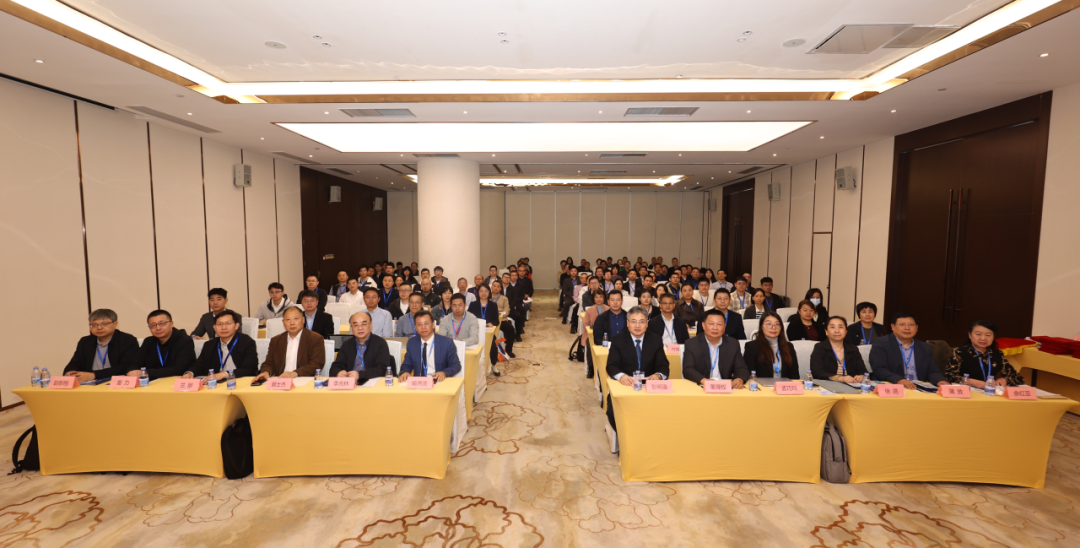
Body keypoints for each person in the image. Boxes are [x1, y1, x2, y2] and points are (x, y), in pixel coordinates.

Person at [606, 306, 669, 432]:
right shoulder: (617, 340)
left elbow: (663, 365)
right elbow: (611, 365)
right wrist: (621, 376)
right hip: (626, 386)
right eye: (633, 321)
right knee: (613, 412)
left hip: (649, 388)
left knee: (666, 411)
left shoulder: (656, 340)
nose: (637, 325)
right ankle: (625, 437)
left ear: (647, 324)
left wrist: (658, 375)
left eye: (641, 321)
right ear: (627, 323)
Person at [869, 312, 949, 390]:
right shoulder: (881, 343)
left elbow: (932, 370)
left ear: (916, 328)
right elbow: (879, 368)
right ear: (892, 327)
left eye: (911, 324)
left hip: (918, 389)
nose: (907, 328)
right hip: (894, 387)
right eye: (902, 324)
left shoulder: (924, 347)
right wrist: (898, 379)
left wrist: (940, 380)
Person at [63, 309, 139, 382]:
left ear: (115, 324)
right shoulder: (85, 341)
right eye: (94, 325)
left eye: (104, 324)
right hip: (89, 383)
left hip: (115, 382)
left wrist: (94, 375)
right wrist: (70, 372)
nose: (99, 328)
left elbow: (125, 367)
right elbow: (75, 363)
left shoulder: (127, 340)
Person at [253, 307, 326, 382]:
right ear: (283, 322)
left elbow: (316, 364)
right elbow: (269, 363)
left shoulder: (315, 339)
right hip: (281, 381)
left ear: (303, 320)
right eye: (288, 320)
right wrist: (266, 372)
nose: (292, 323)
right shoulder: (276, 340)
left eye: (296, 319)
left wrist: (295, 373)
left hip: (304, 380)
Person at [944, 320, 1024, 388]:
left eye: (988, 335)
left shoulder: (997, 354)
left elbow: (1018, 378)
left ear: (993, 337)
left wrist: (1005, 380)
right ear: (970, 335)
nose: (983, 338)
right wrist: (971, 381)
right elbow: (949, 376)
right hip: (967, 391)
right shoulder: (960, 352)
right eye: (978, 334)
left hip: (990, 392)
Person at [185, 309, 259, 381]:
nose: (223, 327)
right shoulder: (209, 345)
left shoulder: (246, 342)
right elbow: (199, 365)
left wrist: (225, 374)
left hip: (240, 381)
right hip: (216, 383)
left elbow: (249, 368)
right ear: (214, 327)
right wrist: (190, 373)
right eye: (220, 324)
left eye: (228, 323)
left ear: (236, 326)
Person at [682, 309, 749, 386]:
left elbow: (741, 368)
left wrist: (739, 378)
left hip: (725, 386)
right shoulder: (692, 343)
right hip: (701, 385)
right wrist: (703, 380)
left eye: (719, 324)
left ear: (724, 326)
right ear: (703, 325)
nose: (715, 328)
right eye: (711, 324)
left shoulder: (733, 344)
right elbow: (688, 369)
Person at [329, 311, 396, 382]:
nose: (360, 328)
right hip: (351, 383)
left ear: (370, 325)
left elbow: (382, 369)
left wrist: (360, 375)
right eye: (356, 325)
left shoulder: (380, 343)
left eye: (364, 324)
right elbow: (336, 366)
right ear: (351, 327)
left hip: (373, 383)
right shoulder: (347, 344)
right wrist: (338, 372)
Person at [398, 311, 461, 382]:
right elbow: (407, 364)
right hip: (418, 383)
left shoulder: (446, 342)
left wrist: (444, 373)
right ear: (415, 327)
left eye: (426, 323)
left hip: (438, 381)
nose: (423, 327)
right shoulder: (412, 342)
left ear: (433, 325)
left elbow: (456, 365)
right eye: (419, 324)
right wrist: (405, 372)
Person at [132, 310, 196, 380]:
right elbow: (136, 364)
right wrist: (133, 372)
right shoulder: (148, 341)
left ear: (171, 324)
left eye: (162, 323)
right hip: (153, 383)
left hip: (177, 381)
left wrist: (144, 373)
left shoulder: (185, 341)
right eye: (153, 325)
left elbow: (179, 369)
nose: (158, 328)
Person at [810, 316, 868, 383]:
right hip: (827, 385)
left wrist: (860, 376)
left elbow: (863, 371)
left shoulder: (853, 349)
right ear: (826, 331)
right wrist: (839, 378)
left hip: (851, 386)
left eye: (840, 327)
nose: (837, 331)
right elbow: (817, 372)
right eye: (832, 327)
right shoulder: (820, 348)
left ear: (846, 331)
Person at [743, 312, 799, 379]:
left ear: (781, 327)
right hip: (762, 385)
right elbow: (750, 375)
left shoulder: (789, 346)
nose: (773, 327)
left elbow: (795, 375)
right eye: (769, 324)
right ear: (761, 327)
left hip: (785, 385)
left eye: (777, 324)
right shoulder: (751, 347)